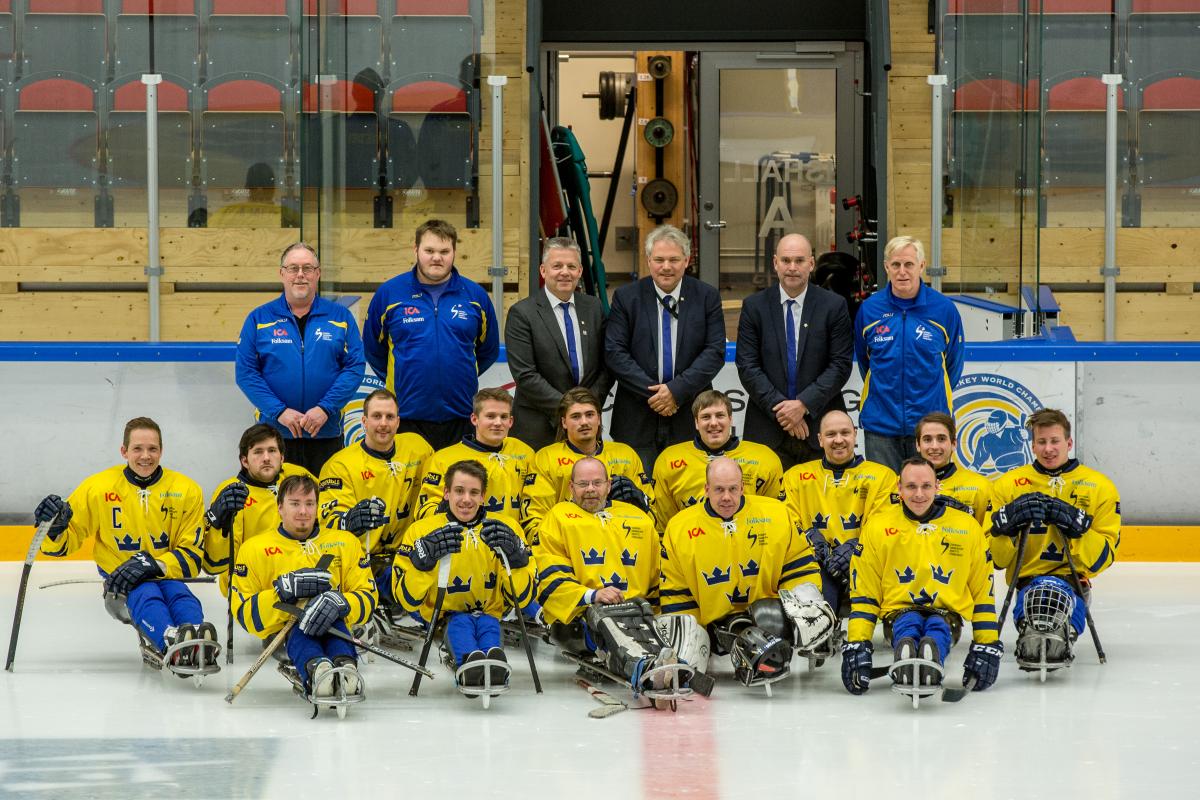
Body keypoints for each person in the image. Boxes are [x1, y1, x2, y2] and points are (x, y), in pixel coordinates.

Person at [33, 417, 220, 676]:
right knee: (146, 594)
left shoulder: (186, 490)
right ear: (124, 451)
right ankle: (171, 639)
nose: (146, 456)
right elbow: (63, 544)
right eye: (138, 449)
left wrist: (154, 564)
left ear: (161, 451)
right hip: (122, 582)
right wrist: (54, 528)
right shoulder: (97, 488)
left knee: (180, 593)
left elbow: (191, 555)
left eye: (153, 449)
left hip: (165, 573)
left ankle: (197, 634)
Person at [659, 458, 836, 690]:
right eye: (719, 490)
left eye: (733, 489)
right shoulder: (679, 527)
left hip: (767, 616)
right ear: (706, 489)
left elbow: (799, 565)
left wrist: (805, 608)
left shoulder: (776, 513)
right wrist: (689, 635)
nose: (726, 497)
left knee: (771, 614)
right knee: (685, 663)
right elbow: (675, 589)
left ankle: (771, 652)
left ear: (743, 487)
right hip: (712, 627)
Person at [533, 457, 695, 700]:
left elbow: (656, 575)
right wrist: (592, 594)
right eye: (583, 483)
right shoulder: (558, 517)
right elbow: (549, 573)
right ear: (571, 487)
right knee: (606, 615)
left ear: (609, 485)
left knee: (644, 612)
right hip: (579, 617)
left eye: (597, 483)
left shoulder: (638, 517)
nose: (590, 489)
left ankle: (669, 662)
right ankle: (643, 668)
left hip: (636, 610)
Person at [840, 457, 1001, 700]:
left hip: (948, 617)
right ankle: (909, 651)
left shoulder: (967, 527)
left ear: (938, 486)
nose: (918, 494)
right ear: (899, 488)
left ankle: (929, 656)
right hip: (897, 616)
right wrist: (857, 644)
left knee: (937, 627)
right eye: (911, 487)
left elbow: (982, 592)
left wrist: (987, 643)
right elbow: (865, 592)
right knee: (909, 623)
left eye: (926, 486)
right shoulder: (877, 525)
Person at [987, 408, 1119, 676]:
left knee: (1055, 628)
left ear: (1068, 443)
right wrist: (1006, 528)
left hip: (1073, 582)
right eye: (1042, 442)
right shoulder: (1008, 485)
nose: (1049, 449)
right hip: (1026, 582)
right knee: (1035, 631)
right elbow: (996, 560)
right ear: (1033, 445)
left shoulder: (1100, 486)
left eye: (1055, 441)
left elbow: (1103, 559)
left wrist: (1078, 527)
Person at [395, 460, 538, 693]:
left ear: (484, 496)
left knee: (489, 626)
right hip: (446, 617)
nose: (466, 500)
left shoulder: (506, 527)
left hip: (491, 613)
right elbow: (406, 600)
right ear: (445, 493)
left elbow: (520, 599)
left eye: (474, 492)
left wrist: (517, 561)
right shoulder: (421, 530)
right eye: (459, 491)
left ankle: (495, 663)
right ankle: (469, 664)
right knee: (460, 625)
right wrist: (422, 566)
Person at [232, 474, 377, 703]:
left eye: (309, 504)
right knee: (302, 624)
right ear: (280, 508)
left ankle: (345, 665)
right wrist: (282, 595)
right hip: (284, 632)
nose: (303, 511)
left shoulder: (345, 542)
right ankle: (316, 669)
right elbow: (244, 612)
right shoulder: (254, 548)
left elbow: (368, 596)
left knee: (332, 621)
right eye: (295, 504)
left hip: (335, 626)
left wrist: (342, 603)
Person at [362, 219, 500, 450]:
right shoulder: (389, 294)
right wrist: (406, 379)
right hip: (406, 416)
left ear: (454, 252)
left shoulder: (475, 296)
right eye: (429, 251)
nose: (437, 257)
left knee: (459, 484)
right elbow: (374, 350)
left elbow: (488, 350)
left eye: (444, 251)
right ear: (416, 250)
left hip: (462, 415)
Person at [236, 242, 365, 476]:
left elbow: (355, 367)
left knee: (324, 505)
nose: (300, 275)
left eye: (307, 268)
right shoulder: (258, 319)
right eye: (293, 268)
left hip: (326, 433)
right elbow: (246, 373)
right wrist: (280, 412)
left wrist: (325, 408)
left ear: (318, 274)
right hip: (274, 437)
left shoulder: (341, 317)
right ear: (282, 273)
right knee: (276, 505)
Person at [605, 224, 725, 469]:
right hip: (636, 418)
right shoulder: (626, 297)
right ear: (648, 261)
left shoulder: (707, 296)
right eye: (659, 259)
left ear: (686, 260)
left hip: (689, 414)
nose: (666, 267)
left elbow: (714, 352)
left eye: (674, 259)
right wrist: (657, 395)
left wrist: (675, 391)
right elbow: (615, 352)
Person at [735, 233, 854, 468]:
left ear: (811, 264)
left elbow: (840, 365)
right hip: (767, 429)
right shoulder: (754, 306)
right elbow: (747, 366)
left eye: (799, 261)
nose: (792, 268)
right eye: (786, 260)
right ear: (775, 263)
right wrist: (784, 412)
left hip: (819, 428)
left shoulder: (834, 306)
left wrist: (802, 405)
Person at [853, 235, 965, 473]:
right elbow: (866, 363)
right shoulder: (869, 310)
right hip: (880, 426)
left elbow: (952, 365)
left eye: (909, 264)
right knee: (884, 500)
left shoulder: (944, 310)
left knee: (928, 497)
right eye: (895, 265)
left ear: (922, 266)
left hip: (929, 427)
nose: (902, 272)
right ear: (886, 267)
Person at [318, 388, 432, 607]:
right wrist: (349, 521)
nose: (383, 423)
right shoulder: (340, 465)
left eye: (390, 417)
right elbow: (327, 525)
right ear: (364, 420)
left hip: (408, 553)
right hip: (365, 561)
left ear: (398, 422)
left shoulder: (418, 448)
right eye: (376, 416)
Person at [782, 410, 896, 614]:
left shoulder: (882, 476)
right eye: (831, 434)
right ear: (819, 439)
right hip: (819, 564)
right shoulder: (796, 476)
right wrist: (809, 538)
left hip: (865, 564)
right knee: (820, 614)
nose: (838, 440)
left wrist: (855, 547)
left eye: (845, 433)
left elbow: (884, 525)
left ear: (855, 434)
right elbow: (788, 520)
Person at [505, 237, 612, 450]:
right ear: (543, 271)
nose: (565, 272)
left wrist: (586, 407)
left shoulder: (594, 307)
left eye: (571, 266)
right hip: (538, 427)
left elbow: (607, 363)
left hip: (586, 428)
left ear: (580, 271)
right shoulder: (522, 313)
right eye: (557, 266)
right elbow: (525, 374)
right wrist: (570, 408)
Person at [521, 387, 651, 541]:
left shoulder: (626, 455)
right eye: (576, 416)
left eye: (589, 415)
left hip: (621, 545)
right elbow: (533, 522)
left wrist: (640, 504)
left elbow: (652, 516)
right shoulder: (546, 458)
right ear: (564, 422)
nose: (584, 422)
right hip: (568, 546)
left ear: (599, 418)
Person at [202, 423, 315, 595]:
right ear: (244, 460)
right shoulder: (233, 491)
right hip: (253, 586)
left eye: (272, 450)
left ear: (282, 457)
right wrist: (219, 524)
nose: (267, 458)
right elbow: (215, 565)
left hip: (300, 580)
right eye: (258, 452)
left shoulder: (296, 476)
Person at [651, 390, 784, 531]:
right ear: (696, 422)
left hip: (748, 544)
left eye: (720, 415)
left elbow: (775, 517)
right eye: (706, 417)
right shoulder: (669, 460)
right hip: (693, 545)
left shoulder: (765, 458)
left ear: (730, 419)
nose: (713, 423)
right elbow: (663, 524)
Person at [417, 388, 535, 521]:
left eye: (503, 417)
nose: (498, 423)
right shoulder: (442, 459)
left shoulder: (524, 452)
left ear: (511, 421)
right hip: (462, 539)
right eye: (490, 416)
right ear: (474, 419)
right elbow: (424, 510)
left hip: (513, 537)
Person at [914, 412, 991, 524]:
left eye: (941, 439)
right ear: (918, 445)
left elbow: (989, 537)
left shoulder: (981, 486)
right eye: (927, 439)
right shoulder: (900, 485)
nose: (934, 446)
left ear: (954, 443)